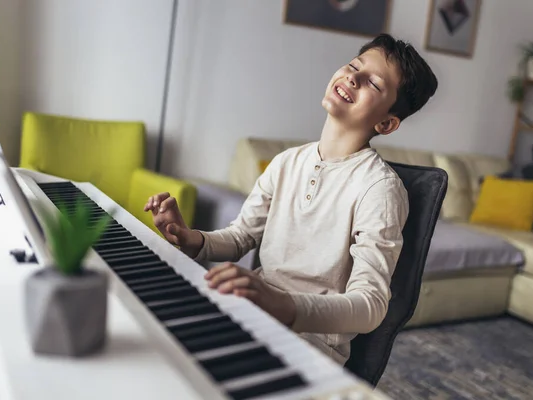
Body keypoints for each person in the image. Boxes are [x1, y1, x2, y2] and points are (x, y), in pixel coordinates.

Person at [144, 33, 438, 365]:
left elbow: (370, 305)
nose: (353, 77)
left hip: (307, 343)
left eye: (373, 83)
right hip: (249, 312)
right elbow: (241, 237)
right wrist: (189, 238)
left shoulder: (380, 189)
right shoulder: (287, 162)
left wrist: (285, 306)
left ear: (386, 123)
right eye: (355, 66)